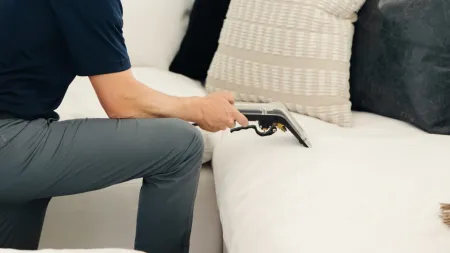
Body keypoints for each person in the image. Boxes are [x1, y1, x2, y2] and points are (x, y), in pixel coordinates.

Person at [0, 0, 248, 253]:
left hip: (19, 132)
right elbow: (121, 101)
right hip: (9, 141)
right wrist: (199, 108)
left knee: (19, 214)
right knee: (181, 145)